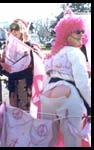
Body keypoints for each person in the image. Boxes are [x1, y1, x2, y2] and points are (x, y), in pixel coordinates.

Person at [40, 11, 91, 147]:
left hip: (47, 98)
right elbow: (82, 84)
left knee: (47, 141)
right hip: (69, 96)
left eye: (82, 31)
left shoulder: (53, 55)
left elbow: (45, 81)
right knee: (72, 141)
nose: (81, 34)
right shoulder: (75, 53)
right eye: (77, 32)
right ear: (66, 34)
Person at [0, 19, 45, 112]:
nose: (13, 31)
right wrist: (4, 67)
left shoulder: (32, 46)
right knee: (15, 112)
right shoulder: (8, 48)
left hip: (27, 84)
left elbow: (39, 63)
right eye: (11, 29)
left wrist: (28, 47)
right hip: (13, 84)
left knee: (26, 112)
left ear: (22, 30)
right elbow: (1, 67)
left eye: (16, 28)